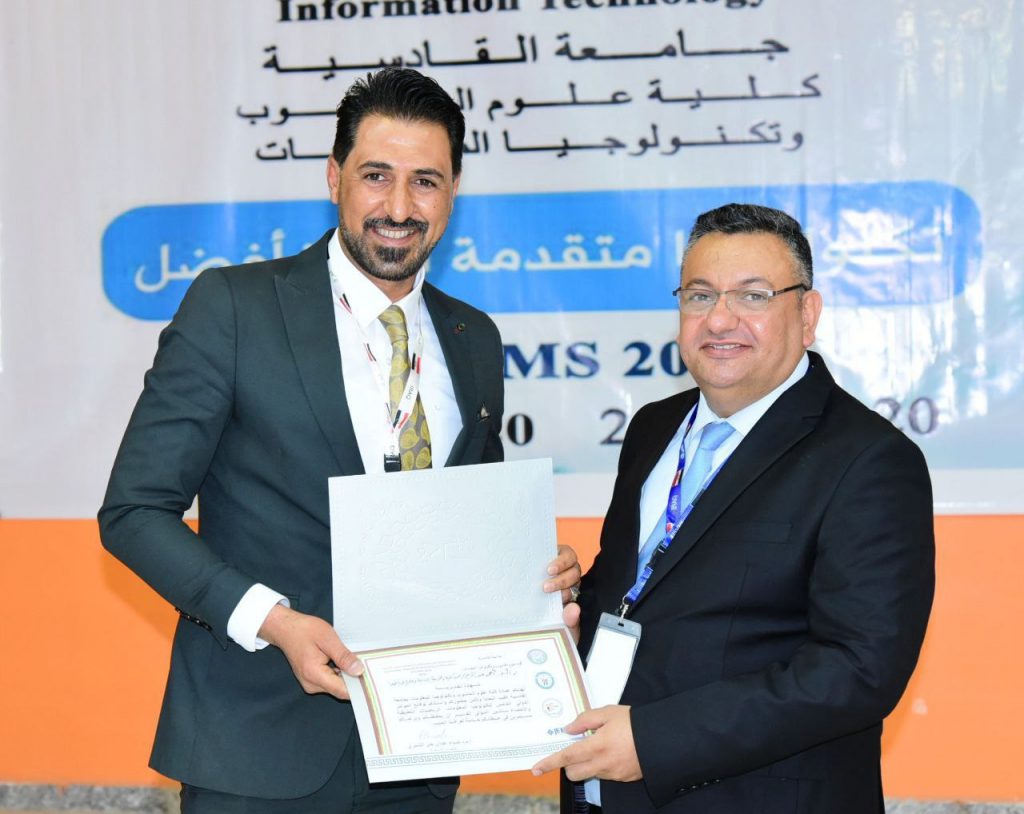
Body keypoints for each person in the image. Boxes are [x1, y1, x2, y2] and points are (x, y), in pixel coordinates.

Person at [99, 67, 581, 813]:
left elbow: (464, 529)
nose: (399, 207)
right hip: (258, 748)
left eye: (425, 182)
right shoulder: (235, 309)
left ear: (454, 191)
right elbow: (134, 513)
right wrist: (276, 623)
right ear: (334, 178)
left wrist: (534, 584)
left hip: (421, 752)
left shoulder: (474, 339)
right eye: (376, 176)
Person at [533, 203, 935, 813]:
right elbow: (646, 594)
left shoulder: (869, 459)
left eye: (753, 296)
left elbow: (858, 670)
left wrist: (657, 740)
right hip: (600, 791)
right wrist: (569, 604)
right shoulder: (652, 428)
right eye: (699, 296)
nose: (719, 319)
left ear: (807, 314)